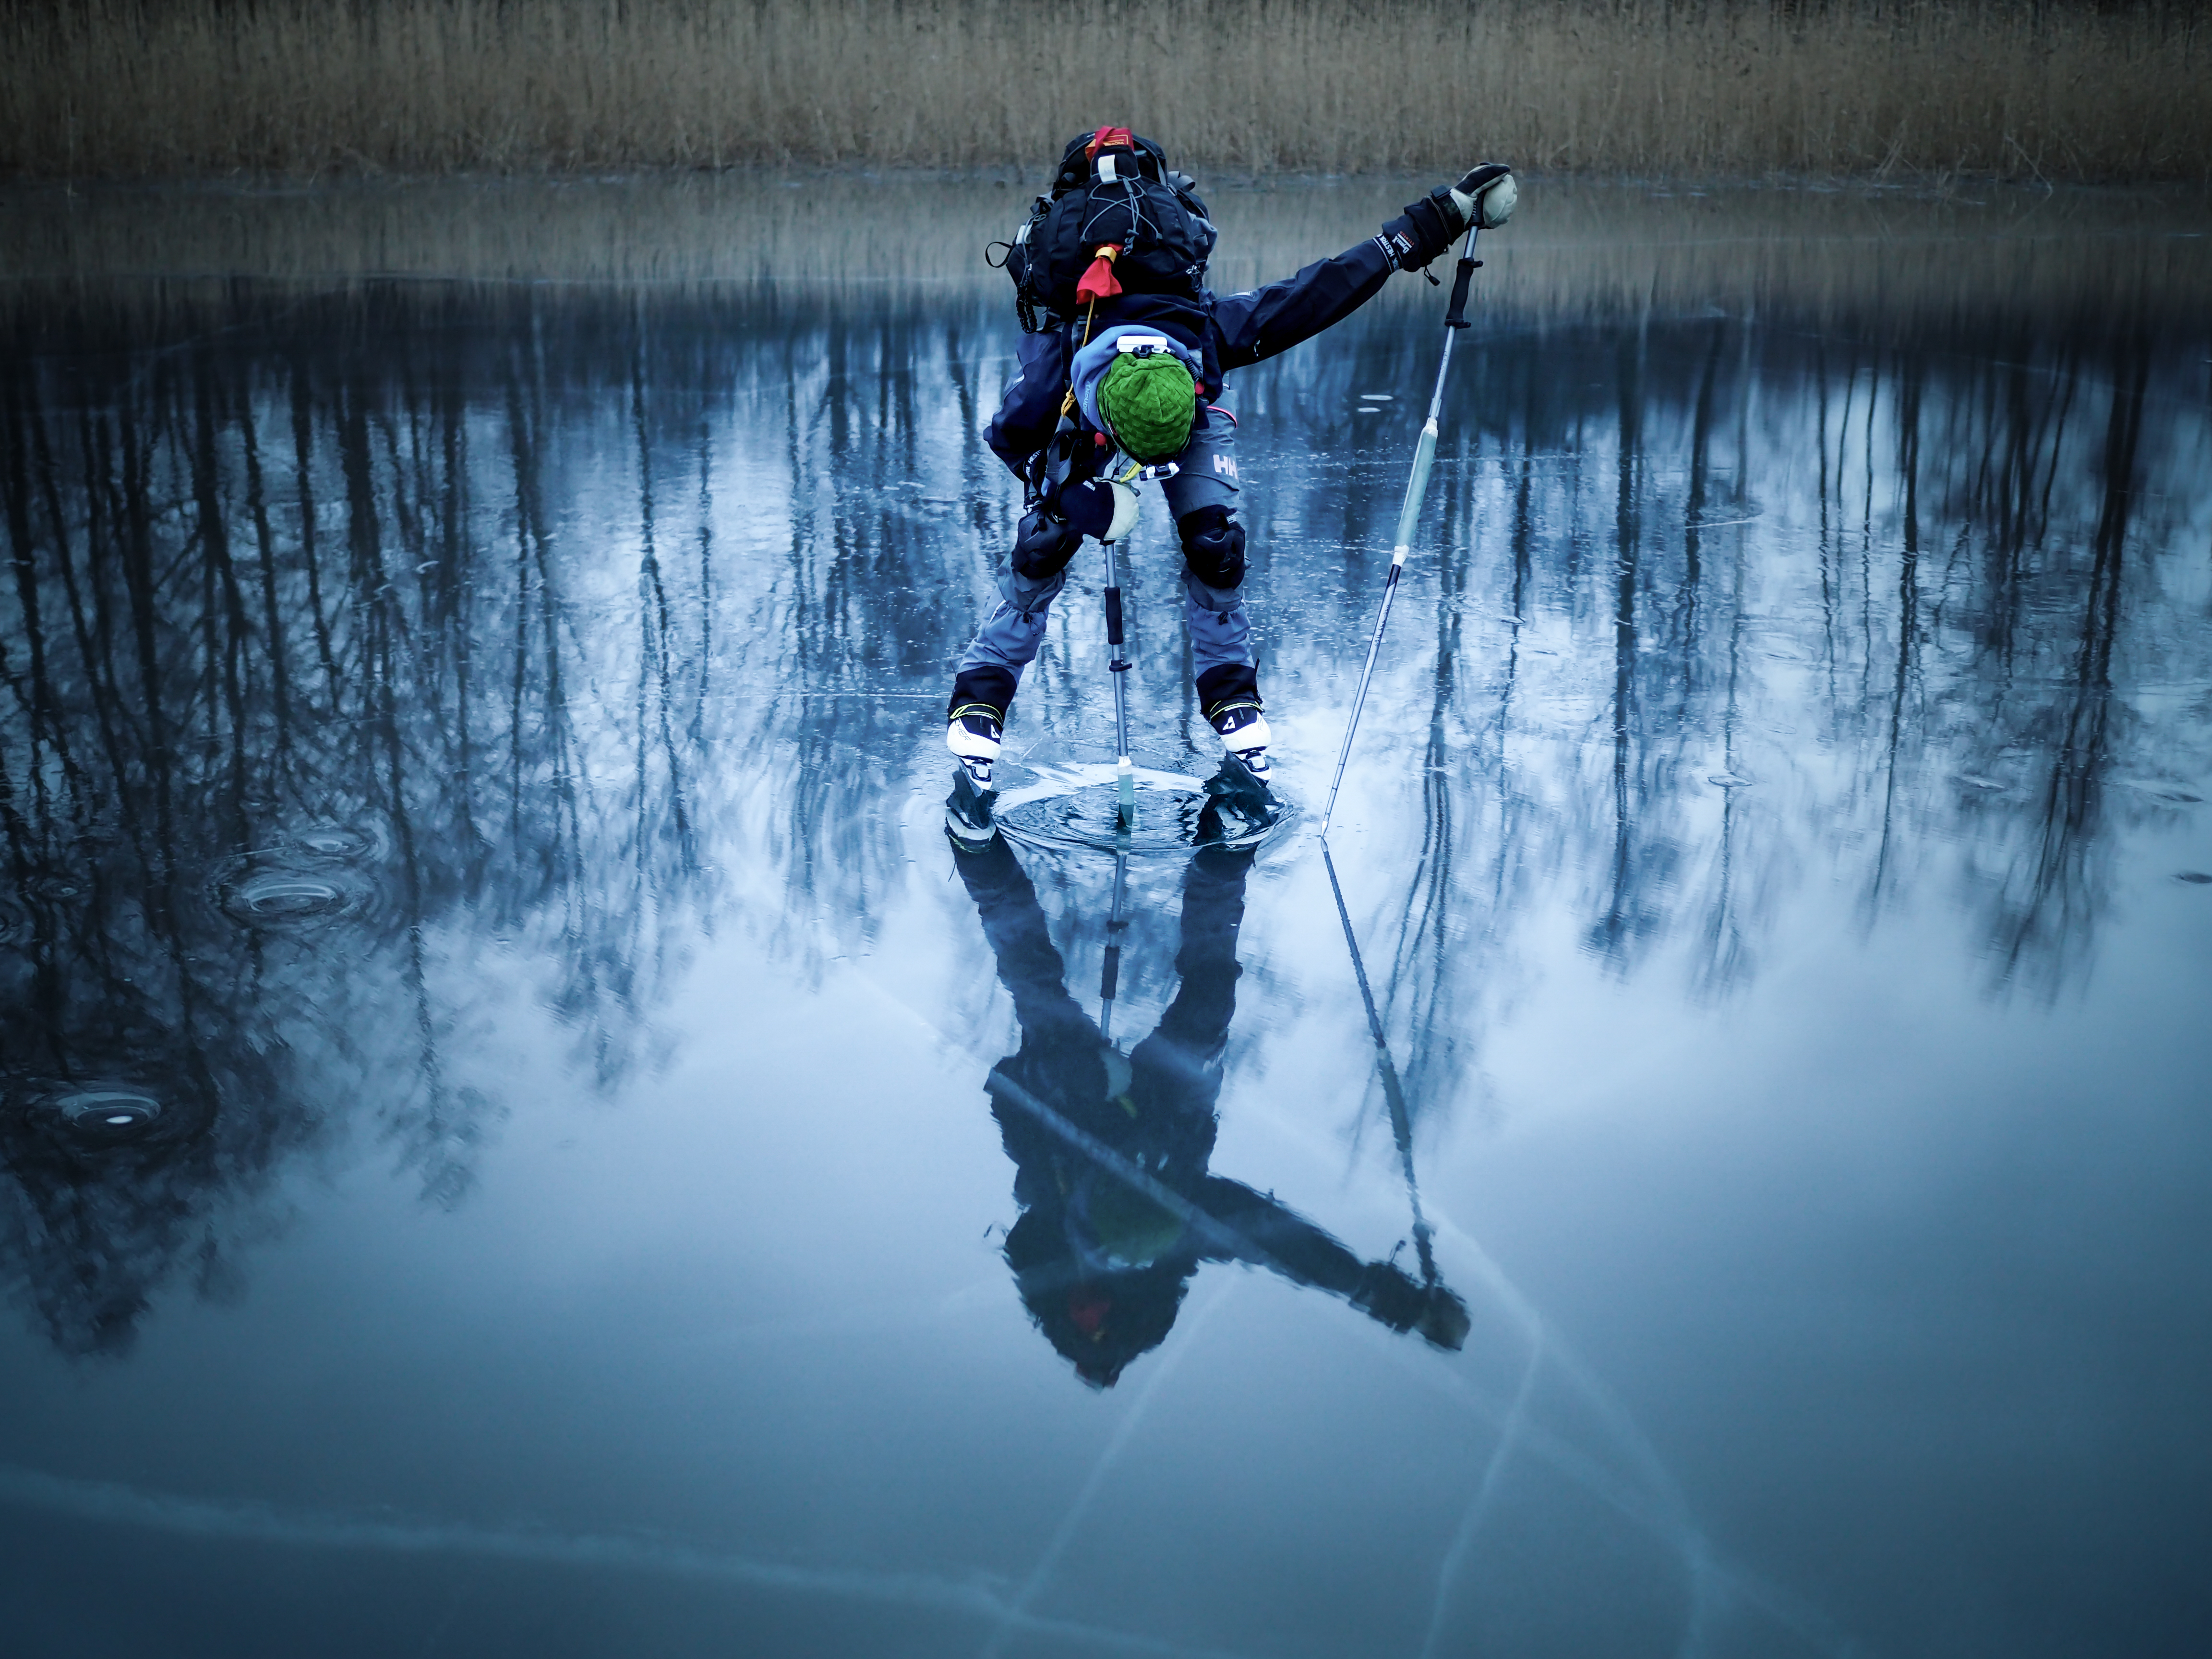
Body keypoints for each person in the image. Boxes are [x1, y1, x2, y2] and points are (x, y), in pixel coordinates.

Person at [946, 129, 1518, 791]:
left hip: (1184, 410)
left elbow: (1319, 293)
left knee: (1215, 545)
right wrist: (1084, 502)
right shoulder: (1061, 371)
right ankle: (981, 697)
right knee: (1043, 544)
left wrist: (1439, 219)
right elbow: (1011, 439)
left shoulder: (1205, 335)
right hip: (1088, 434)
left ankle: (1231, 696)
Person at [951, 825, 1471, 1389]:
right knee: (1208, 1001)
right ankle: (1222, 858)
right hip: (1171, 1112)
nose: (1138, 1171)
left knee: (1035, 984)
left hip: (1072, 1107)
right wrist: (1384, 1297)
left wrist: (1070, 1078)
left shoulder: (1051, 1220)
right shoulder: (1189, 1218)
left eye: (1132, 1177)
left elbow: (1009, 1096)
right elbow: (1278, 1241)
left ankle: (978, 850)